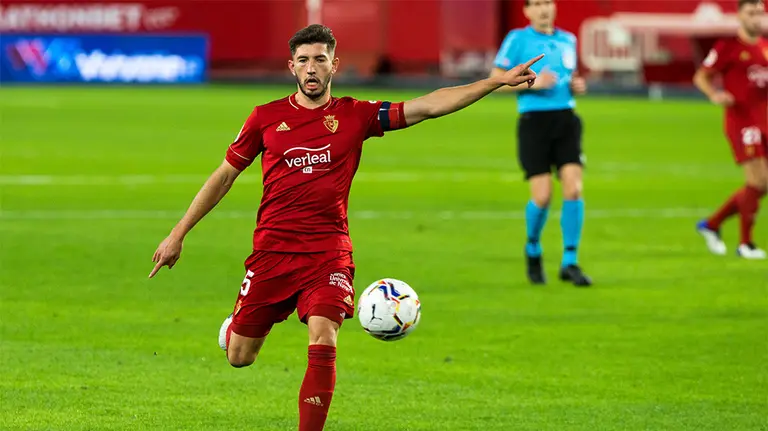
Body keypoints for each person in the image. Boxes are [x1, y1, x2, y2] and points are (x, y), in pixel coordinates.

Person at [148, 24, 542, 431]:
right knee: (239, 356)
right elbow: (224, 176)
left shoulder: (357, 114)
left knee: (324, 336)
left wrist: (495, 82)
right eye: (303, 60)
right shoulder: (265, 118)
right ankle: (234, 328)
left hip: (328, 254)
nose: (312, 68)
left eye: (320, 59)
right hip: (272, 254)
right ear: (291, 67)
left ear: (335, 64)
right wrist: (178, 234)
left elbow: (429, 105)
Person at [490, 0, 592, 286]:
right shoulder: (518, 40)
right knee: (543, 196)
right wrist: (533, 83)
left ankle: (569, 262)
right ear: (526, 11)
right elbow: (495, 81)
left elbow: (571, 77)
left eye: (547, 2)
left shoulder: (567, 40)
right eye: (535, 4)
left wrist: (577, 86)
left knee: (574, 187)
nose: (543, 8)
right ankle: (532, 247)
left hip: (566, 120)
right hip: (534, 122)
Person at [694, 0, 767, 259]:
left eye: (761, 12)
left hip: (764, 121)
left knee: (762, 184)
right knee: (757, 180)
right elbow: (701, 75)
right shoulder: (729, 47)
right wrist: (715, 94)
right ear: (739, 15)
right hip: (741, 121)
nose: (757, 17)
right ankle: (745, 244)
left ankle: (711, 225)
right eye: (752, 13)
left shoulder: (764, 46)